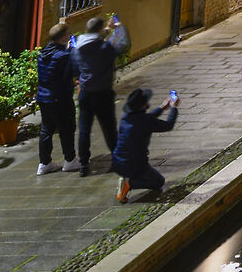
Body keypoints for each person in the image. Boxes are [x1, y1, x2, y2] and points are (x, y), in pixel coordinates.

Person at [72, 14, 128, 176]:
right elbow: (123, 44)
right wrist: (118, 27)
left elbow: (74, 69)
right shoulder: (105, 48)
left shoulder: (78, 48)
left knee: (84, 129)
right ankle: (117, 161)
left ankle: (83, 165)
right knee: (109, 128)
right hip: (103, 93)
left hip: (85, 93)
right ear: (99, 30)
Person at [112, 86, 179, 204]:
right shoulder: (145, 121)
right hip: (135, 164)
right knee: (158, 182)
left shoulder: (126, 118)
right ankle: (130, 184)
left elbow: (146, 119)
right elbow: (168, 125)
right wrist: (173, 108)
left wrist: (162, 107)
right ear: (143, 105)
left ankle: (128, 179)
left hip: (118, 162)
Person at [34, 22, 77, 174]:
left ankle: (44, 163)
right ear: (64, 37)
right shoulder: (64, 55)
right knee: (66, 128)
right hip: (60, 98)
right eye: (68, 33)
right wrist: (73, 52)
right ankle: (70, 160)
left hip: (44, 97)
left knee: (46, 130)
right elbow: (71, 72)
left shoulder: (43, 53)